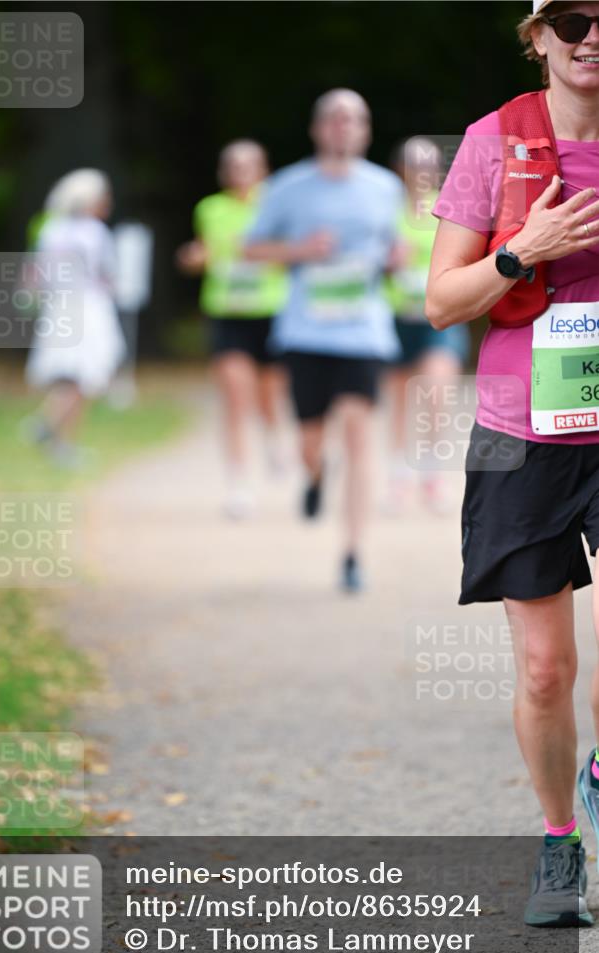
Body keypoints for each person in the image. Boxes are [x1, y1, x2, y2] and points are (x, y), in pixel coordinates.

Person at [426, 0, 599, 927]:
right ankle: (558, 843)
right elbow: (442, 302)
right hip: (517, 430)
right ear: (536, 36)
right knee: (544, 669)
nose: (591, 35)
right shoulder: (493, 141)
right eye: (570, 17)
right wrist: (518, 251)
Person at [244, 89, 403, 591]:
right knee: (310, 440)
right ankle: (314, 474)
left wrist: (395, 257)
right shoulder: (288, 187)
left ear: (366, 130)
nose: (344, 127)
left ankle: (353, 553)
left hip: (363, 331)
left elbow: (396, 245)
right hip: (306, 330)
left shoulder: (385, 188)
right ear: (317, 129)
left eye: (354, 118)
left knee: (359, 432)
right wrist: (299, 249)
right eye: (335, 119)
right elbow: (251, 249)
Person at [177, 141, 289, 518]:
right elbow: (203, 252)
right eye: (233, 165)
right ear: (224, 172)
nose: (240, 172)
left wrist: (259, 253)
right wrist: (195, 257)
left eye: (248, 165)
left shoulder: (277, 205)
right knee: (235, 399)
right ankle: (239, 484)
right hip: (227, 312)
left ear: (263, 170)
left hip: (271, 310)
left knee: (269, 397)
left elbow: (295, 254)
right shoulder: (209, 209)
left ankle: (274, 439)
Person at [383, 137, 470, 514]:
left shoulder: (450, 207)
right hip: (395, 317)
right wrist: (386, 259)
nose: (422, 173)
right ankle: (399, 476)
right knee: (400, 401)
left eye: (429, 165)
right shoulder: (385, 208)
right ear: (400, 169)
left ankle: (432, 476)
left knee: (436, 393)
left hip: (441, 317)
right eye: (414, 165)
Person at [24, 169, 126, 467]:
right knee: (87, 375)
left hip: (58, 307)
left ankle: (53, 432)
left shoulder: (50, 229)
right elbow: (109, 274)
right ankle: (51, 429)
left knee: (70, 377)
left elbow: (35, 275)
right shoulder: (95, 232)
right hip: (90, 308)